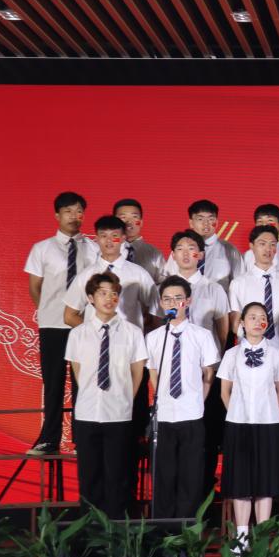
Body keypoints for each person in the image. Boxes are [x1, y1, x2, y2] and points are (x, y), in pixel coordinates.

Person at [65, 272, 147, 518]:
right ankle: (90, 528)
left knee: (118, 476)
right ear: (91, 298)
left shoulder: (132, 332)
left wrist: (124, 399)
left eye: (114, 294)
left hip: (119, 414)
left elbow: (137, 373)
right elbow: (78, 373)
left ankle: (117, 530)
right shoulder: (78, 334)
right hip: (87, 413)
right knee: (89, 477)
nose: (109, 299)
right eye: (102, 293)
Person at [25, 191, 98, 455]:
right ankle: (49, 438)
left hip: (83, 324)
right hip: (53, 324)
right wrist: (50, 311)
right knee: (53, 382)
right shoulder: (42, 248)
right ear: (57, 215)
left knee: (83, 382)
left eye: (79, 211)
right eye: (68, 211)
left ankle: (82, 439)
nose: (74, 216)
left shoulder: (94, 248)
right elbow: (35, 287)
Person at [145, 276, 219, 519]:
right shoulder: (155, 337)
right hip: (164, 415)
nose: (172, 303)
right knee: (164, 475)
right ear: (161, 303)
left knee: (191, 476)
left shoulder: (202, 335)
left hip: (192, 413)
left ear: (187, 301)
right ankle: (163, 529)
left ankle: (187, 529)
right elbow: (153, 372)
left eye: (178, 298)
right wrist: (161, 398)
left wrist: (198, 400)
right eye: (167, 299)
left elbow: (208, 373)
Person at [219, 302, 279, 546]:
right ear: (241, 323)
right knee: (241, 481)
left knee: (265, 482)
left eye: (262, 317)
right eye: (252, 317)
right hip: (238, 423)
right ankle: (241, 538)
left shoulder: (276, 354)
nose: (258, 321)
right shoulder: (231, 354)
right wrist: (237, 411)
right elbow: (224, 391)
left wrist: (268, 411)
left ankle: (261, 537)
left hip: (268, 424)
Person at [168, 229, 230, 496]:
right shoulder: (164, 289)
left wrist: (211, 365)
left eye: (191, 248)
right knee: (174, 431)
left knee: (206, 432)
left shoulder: (213, 289)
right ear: (173, 254)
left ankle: (204, 489)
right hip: (172, 373)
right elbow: (156, 327)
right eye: (180, 248)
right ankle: (174, 492)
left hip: (206, 372)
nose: (186, 253)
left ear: (201, 255)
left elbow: (223, 332)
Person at [229, 225, 279, 460]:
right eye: (262, 244)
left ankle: (277, 473)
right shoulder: (239, 283)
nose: (268, 249)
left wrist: (275, 345)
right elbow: (235, 323)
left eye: (272, 244)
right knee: (248, 413)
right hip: (248, 359)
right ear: (251, 247)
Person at [164, 200, 244, 291]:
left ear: (216, 222)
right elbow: (168, 278)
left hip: (217, 299)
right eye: (200, 219)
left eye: (211, 219)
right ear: (191, 223)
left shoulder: (230, 250)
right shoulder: (180, 250)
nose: (206, 223)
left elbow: (240, 283)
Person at [114, 198, 165, 283]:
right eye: (123, 217)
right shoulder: (104, 251)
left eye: (134, 217)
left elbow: (164, 284)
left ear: (141, 222)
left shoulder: (155, 254)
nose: (129, 222)